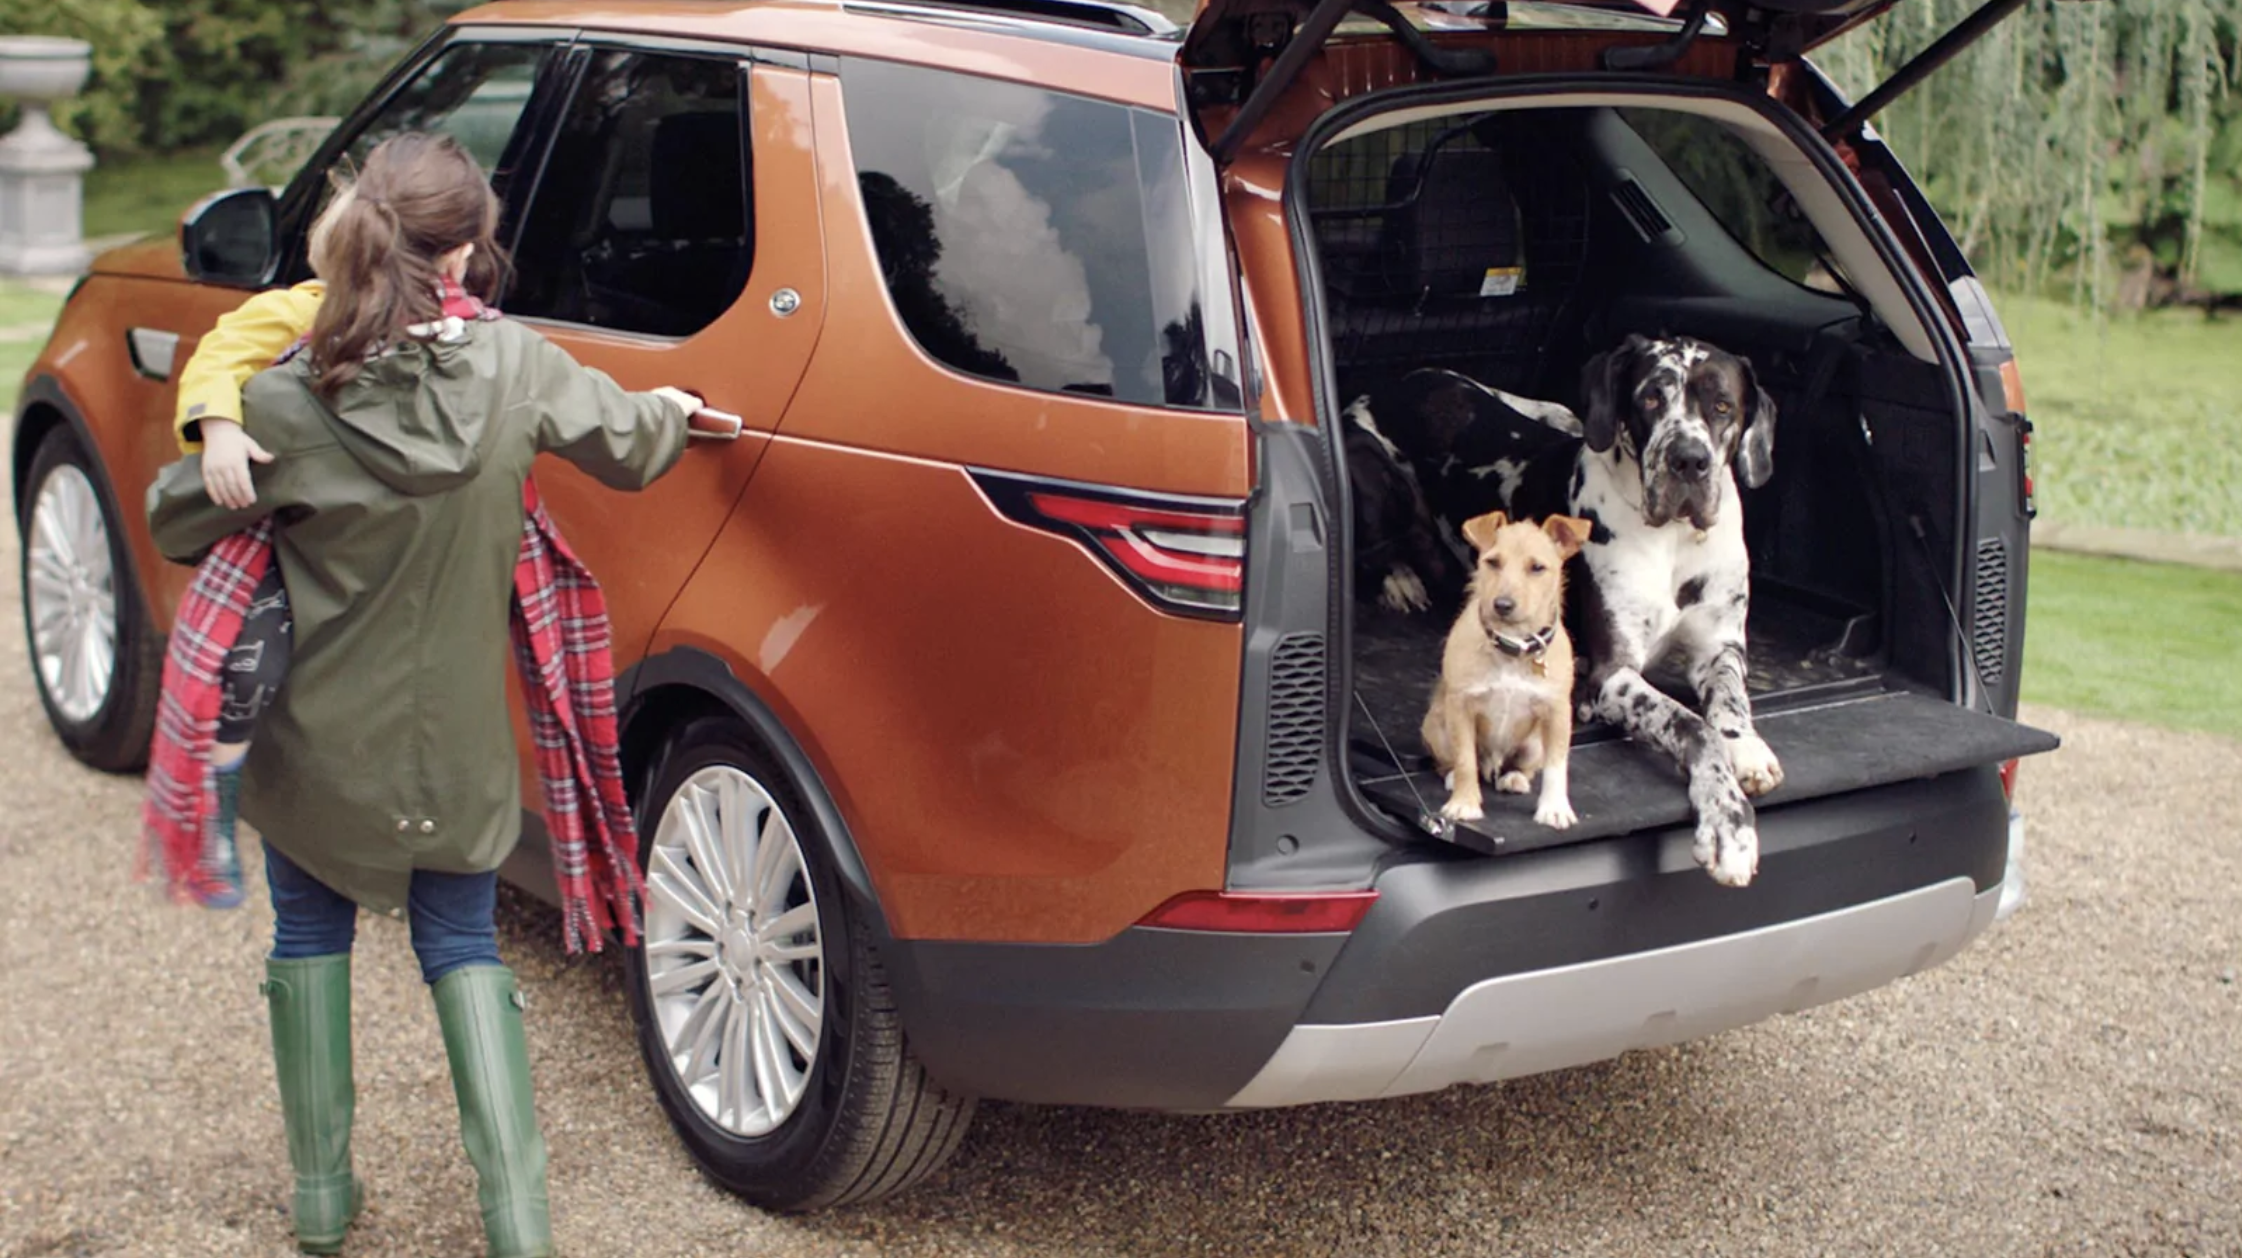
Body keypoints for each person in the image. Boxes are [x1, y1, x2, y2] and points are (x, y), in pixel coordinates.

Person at [145, 131, 700, 1258]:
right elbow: (639, 449)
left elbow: (174, 519)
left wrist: (228, 429)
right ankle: (517, 1222)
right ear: (466, 255)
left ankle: (319, 1201)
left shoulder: (290, 402)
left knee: (307, 931)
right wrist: (682, 408)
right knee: (462, 942)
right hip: (457, 757)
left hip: (315, 757)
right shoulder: (518, 369)